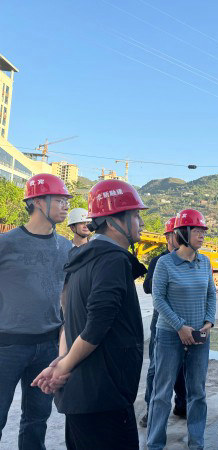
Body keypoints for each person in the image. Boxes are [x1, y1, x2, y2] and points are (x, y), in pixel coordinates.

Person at [31, 179, 148, 449]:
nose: (141, 223)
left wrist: (62, 360)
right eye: (135, 215)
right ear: (113, 221)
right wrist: (63, 366)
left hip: (83, 396)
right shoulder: (112, 260)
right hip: (104, 396)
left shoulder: (82, 259)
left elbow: (67, 319)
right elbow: (97, 325)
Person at [0, 173, 72, 449]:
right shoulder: (6, 243)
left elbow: (66, 297)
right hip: (7, 346)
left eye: (67, 201)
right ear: (39, 201)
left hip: (47, 347)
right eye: (60, 200)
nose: (66, 206)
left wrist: (64, 348)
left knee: (37, 420)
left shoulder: (66, 247)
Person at [147, 209, 216, 450]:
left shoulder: (204, 262)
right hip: (169, 335)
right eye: (197, 231)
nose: (202, 235)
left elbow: (211, 294)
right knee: (162, 392)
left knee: (197, 392)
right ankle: (155, 443)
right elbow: (158, 298)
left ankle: (196, 443)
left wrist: (208, 322)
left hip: (199, 336)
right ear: (183, 233)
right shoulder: (165, 263)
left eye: (203, 231)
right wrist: (179, 326)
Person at [139, 216, 187, 428]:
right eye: (177, 234)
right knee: (156, 367)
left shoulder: (190, 258)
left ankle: (182, 404)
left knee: (183, 366)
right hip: (162, 319)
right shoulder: (158, 261)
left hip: (185, 317)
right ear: (168, 237)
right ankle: (152, 409)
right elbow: (147, 287)